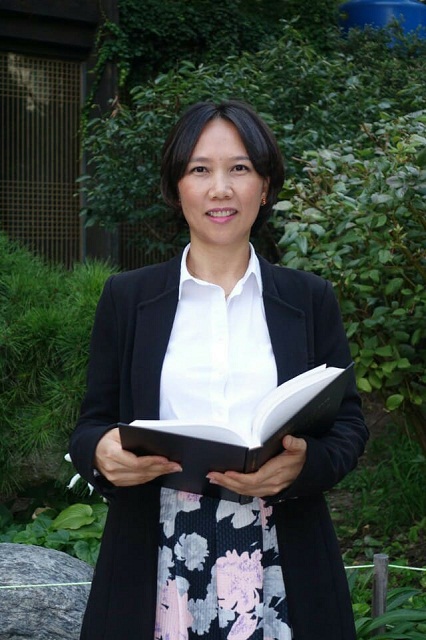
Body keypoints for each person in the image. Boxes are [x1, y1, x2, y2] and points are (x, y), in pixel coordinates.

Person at [69, 100, 369, 640]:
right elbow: (92, 423)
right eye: (200, 170)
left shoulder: (309, 298)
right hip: (156, 550)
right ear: (176, 187)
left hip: (285, 547)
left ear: (265, 185)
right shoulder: (127, 298)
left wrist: (303, 466)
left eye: (240, 168)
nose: (220, 189)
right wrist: (100, 453)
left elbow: (348, 425)